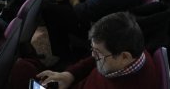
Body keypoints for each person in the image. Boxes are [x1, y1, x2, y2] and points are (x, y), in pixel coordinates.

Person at [23, 12, 159, 89]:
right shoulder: (132, 49)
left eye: (98, 53)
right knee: (24, 67)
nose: (93, 55)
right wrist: (69, 75)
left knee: (21, 72)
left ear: (124, 56)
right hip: (76, 83)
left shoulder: (138, 83)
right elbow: (92, 61)